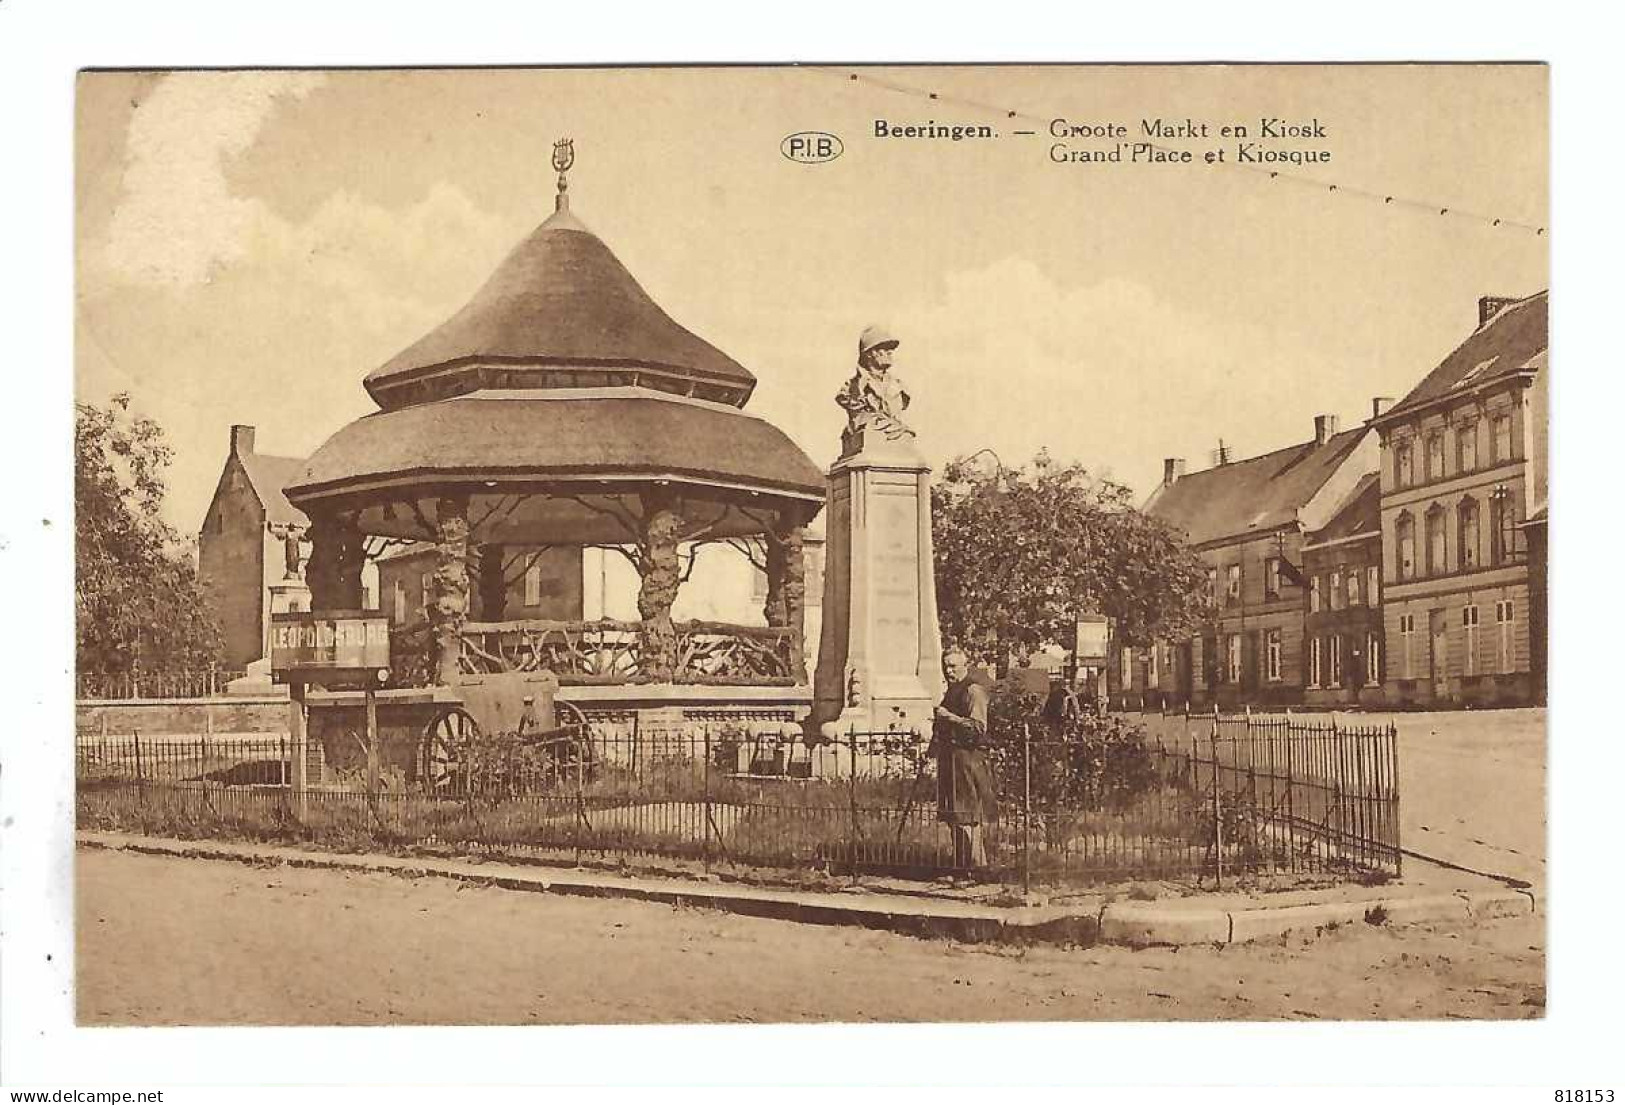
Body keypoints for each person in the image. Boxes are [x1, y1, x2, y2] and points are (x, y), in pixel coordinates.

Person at [933, 648, 997, 871]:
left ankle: (977, 865)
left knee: (968, 814)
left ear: (965, 666)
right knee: (954, 814)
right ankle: (962, 865)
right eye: (945, 666)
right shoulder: (951, 691)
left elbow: (978, 727)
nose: (948, 670)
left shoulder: (973, 690)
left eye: (953, 666)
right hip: (951, 759)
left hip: (968, 758)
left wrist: (949, 717)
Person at [836, 325, 914, 440]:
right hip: (870, 438)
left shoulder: (899, 387)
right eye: (884, 348)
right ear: (869, 353)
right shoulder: (850, 388)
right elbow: (855, 411)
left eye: (891, 348)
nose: (890, 352)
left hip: (897, 441)